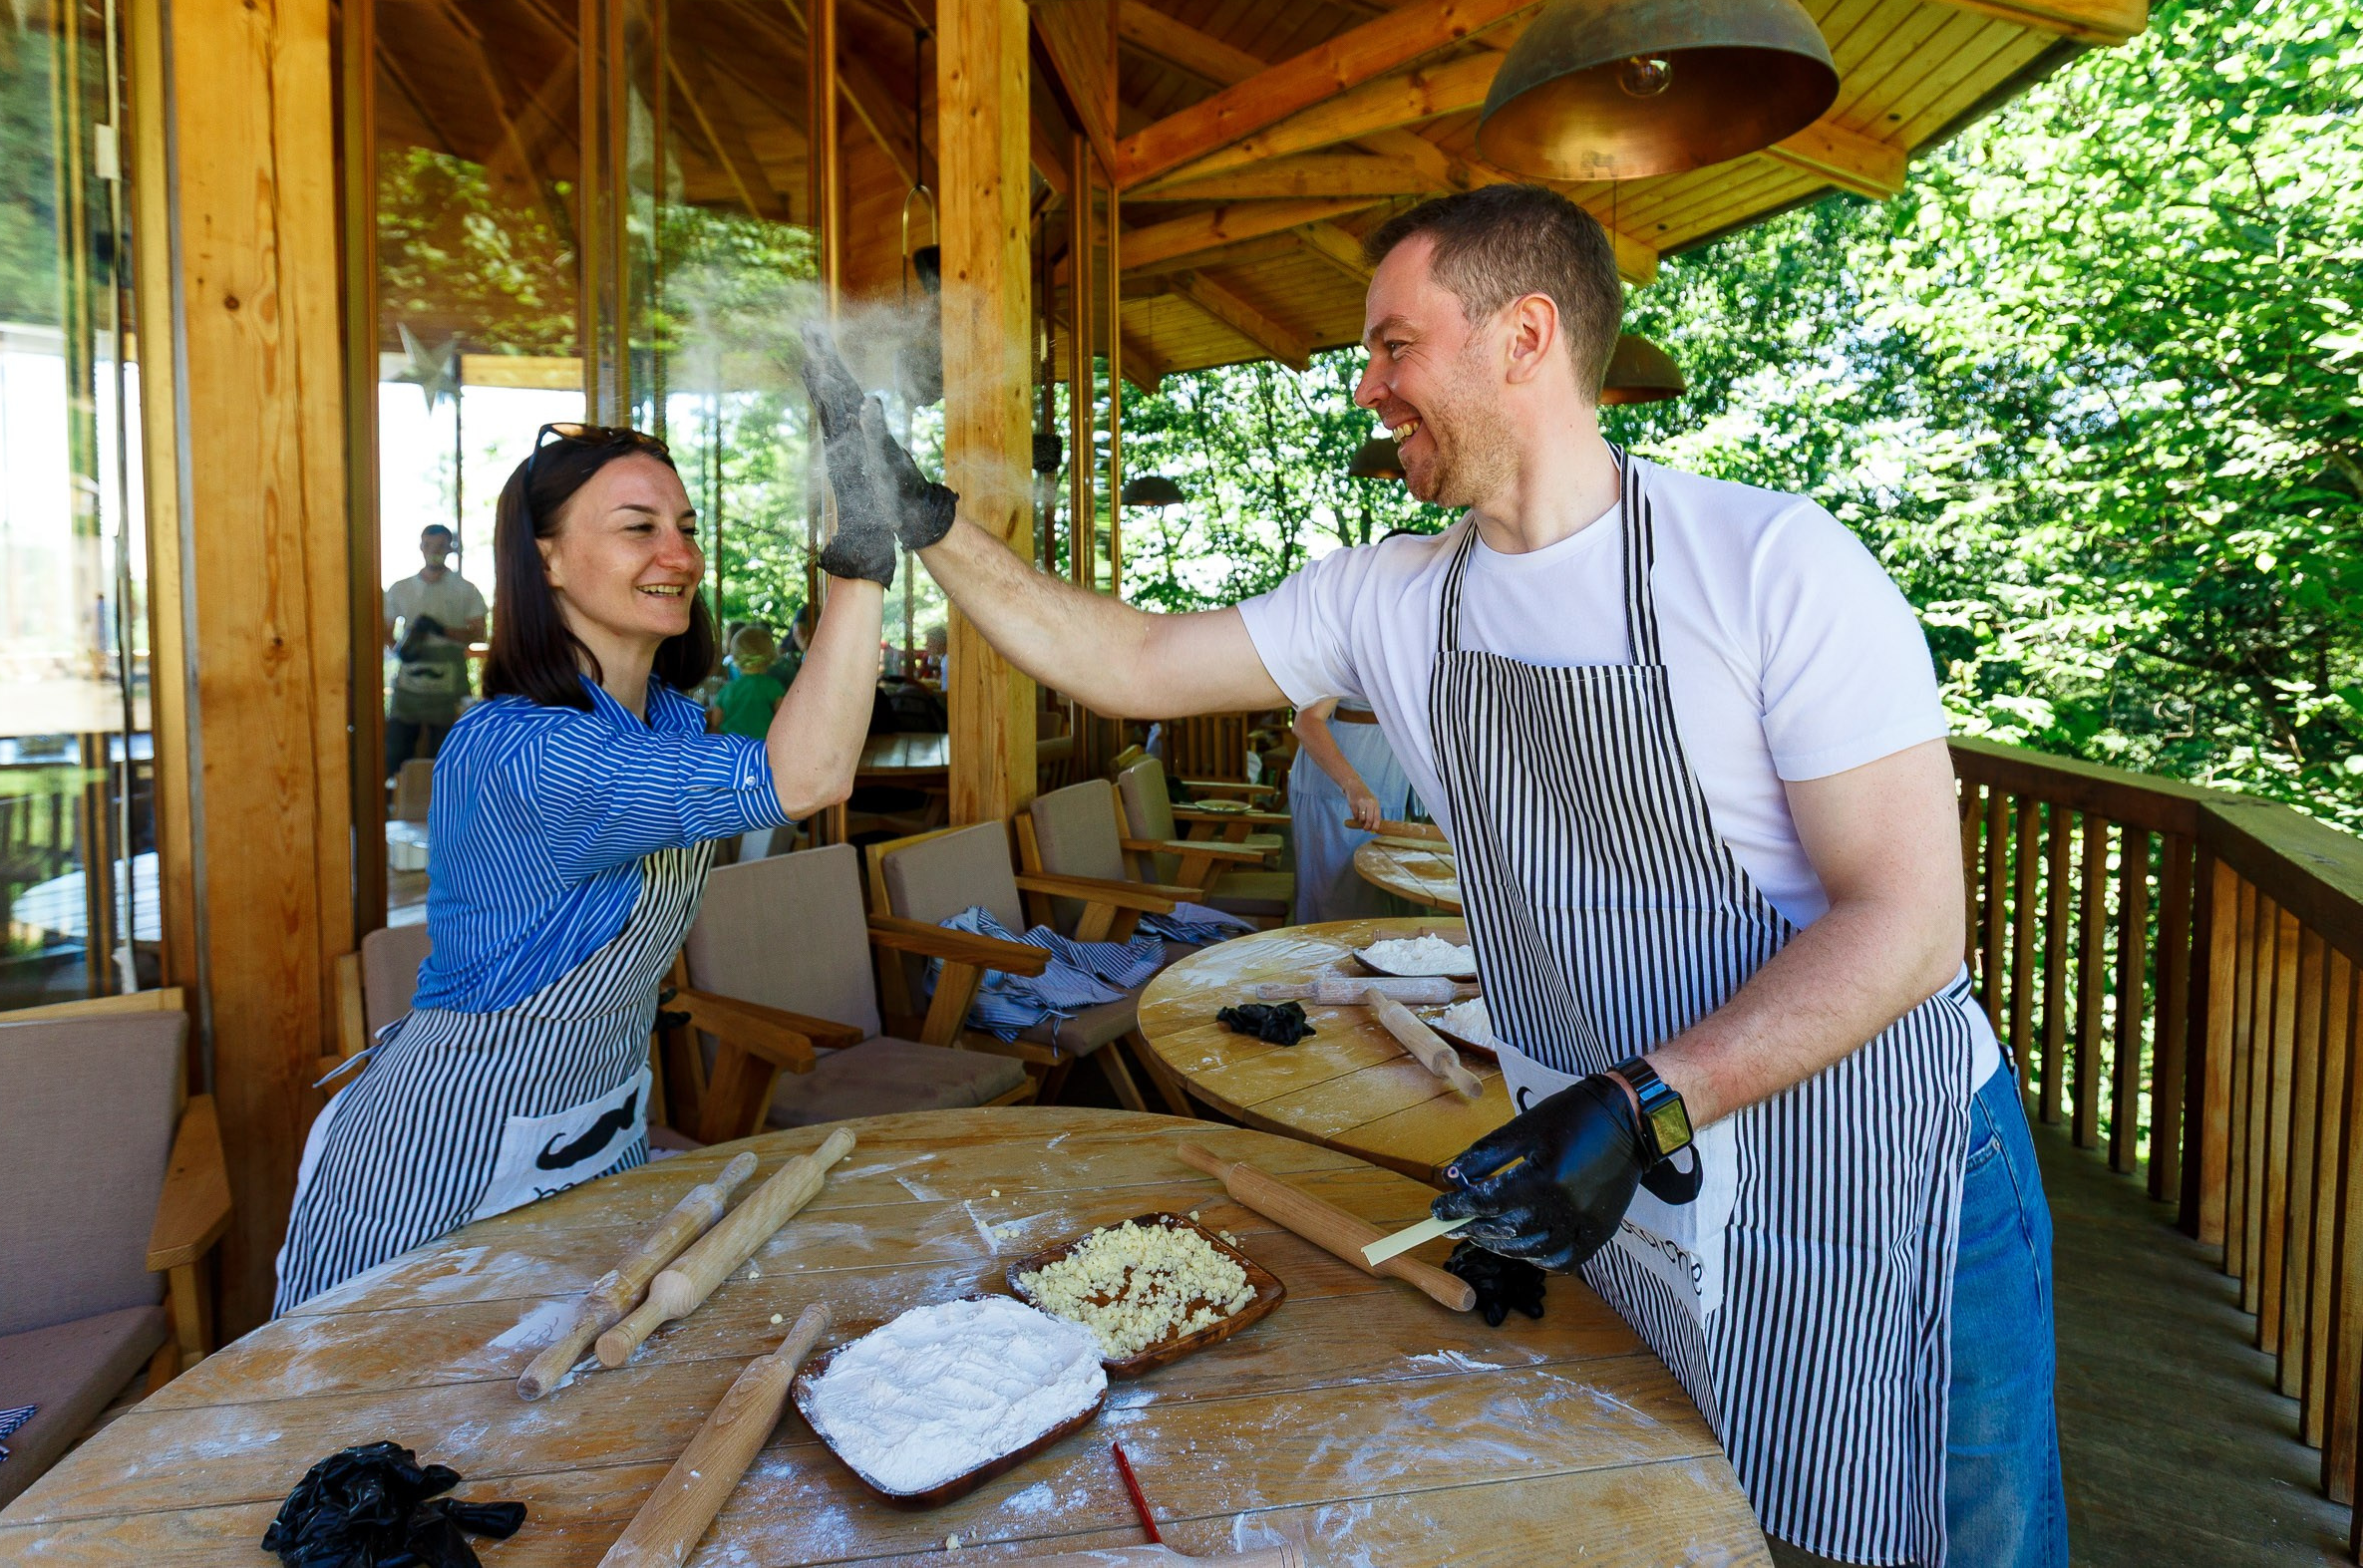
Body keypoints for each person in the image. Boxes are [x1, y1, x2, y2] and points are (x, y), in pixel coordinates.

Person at [811, 184, 2059, 1566]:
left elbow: (1906, 921)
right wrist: (924, 520)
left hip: (1866, 1163)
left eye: (1395, 345)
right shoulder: (1393, 595)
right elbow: (1131, 662)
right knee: (1698, 1517)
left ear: (1524, 335)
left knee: (1939, 1540)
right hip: (1611, 1172)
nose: (1368, 384)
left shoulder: (1772, 566)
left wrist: (1644, 1098)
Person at [275, 415, 890, 1313]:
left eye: (685, 527)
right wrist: (862, 561)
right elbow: (810, 773)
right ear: (548, 559)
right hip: (444, 1156)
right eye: (638, 527)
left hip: (596, 1132)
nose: (677, 553)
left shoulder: (669, 724)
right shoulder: (520, 751)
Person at [1286, 697, 1413, 923]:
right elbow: (1306, 723)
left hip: (1389, 777)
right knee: (1336, 912)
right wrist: (1353, 785)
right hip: (1340, 786)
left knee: (1377, 911)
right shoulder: (1352, 658)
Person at [382, 523, 489, 775]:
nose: (434, 551)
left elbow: (479, 632)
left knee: (447, 753)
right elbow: (384, 629)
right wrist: (402, 649)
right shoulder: (401, 588)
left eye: (441, 546)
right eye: (429, 545)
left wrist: (442, 630)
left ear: (450, 549)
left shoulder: (465, 589)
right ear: (421, 547)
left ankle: (444, 809)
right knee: (396, 750)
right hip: (410, 680)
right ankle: (393, 804)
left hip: (449, 684)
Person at [713, 624, 785, 741]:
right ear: (770, 654)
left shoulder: (727, 689)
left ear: (735, 656)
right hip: (761, 750)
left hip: (731, 750)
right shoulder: (773, 686)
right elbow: (784, 720)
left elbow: (715, 724)